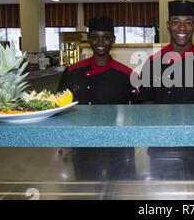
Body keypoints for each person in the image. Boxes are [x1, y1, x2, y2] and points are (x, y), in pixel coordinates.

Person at [138, 0, 194, 180]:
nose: (182, 28)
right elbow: (146, 106)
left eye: (188, 22)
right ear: (168, 26)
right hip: (162, 145)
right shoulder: (153, 62)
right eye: (176, 22)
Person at [57, 16, 137, 181]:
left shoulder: (126, 74)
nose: (101, 42)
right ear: (89, 39)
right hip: (84, 143)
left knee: (118, 188)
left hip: (118, 144)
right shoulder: (73, 72)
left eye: (106, 37)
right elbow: (60, 106)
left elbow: (136, 112)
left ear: (113, 39)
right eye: (95, 37)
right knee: (86, 188)